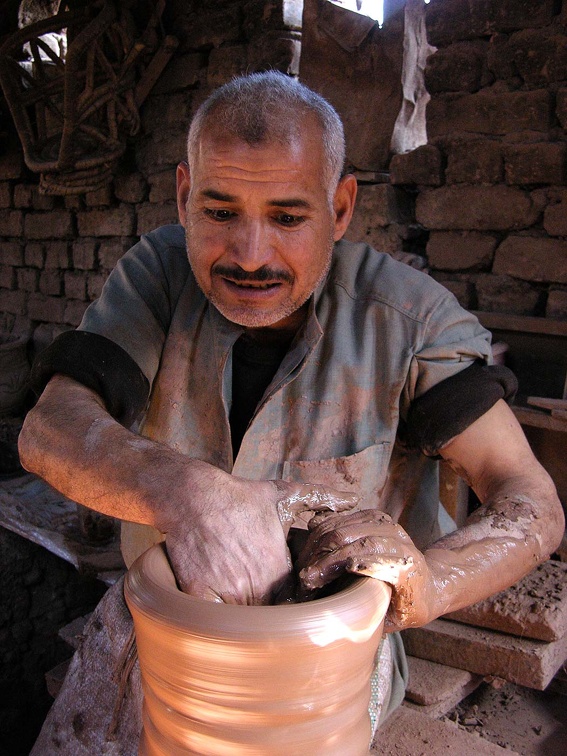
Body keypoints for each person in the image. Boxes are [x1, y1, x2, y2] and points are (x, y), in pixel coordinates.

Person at [19, 71, 563, 754]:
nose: (250, 255)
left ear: (338, 209)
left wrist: (427, 583)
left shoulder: (409, 317)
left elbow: (529, 499)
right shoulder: (157, 274)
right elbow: (49, 429)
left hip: (328, 648)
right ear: (185, 197)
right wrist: (183, 492)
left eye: (286, 217)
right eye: (219, 213)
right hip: (168, 617)